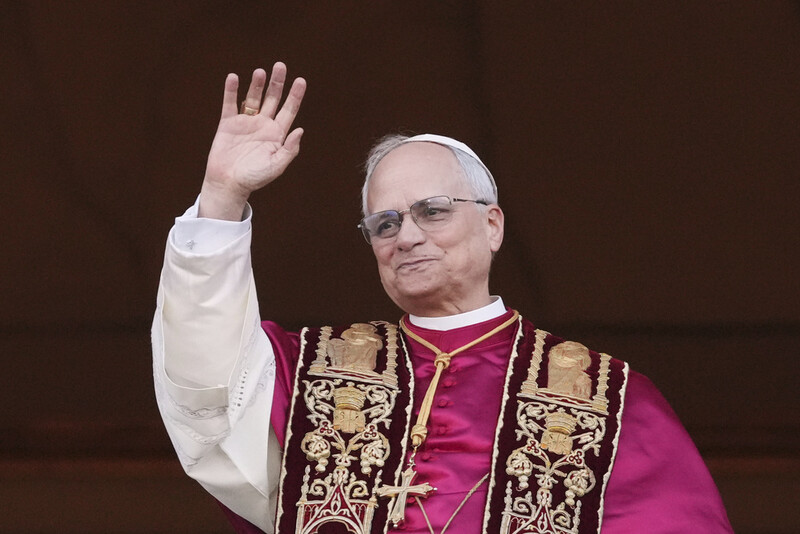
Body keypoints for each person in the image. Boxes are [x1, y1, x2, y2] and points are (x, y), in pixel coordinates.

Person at [152, 62, 733, 534]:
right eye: (384, 223)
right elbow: (207, 384)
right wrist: (222, 196)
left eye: (432, 211)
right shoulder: (312, 370)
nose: (406, 236)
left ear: (493, 225)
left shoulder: (607, 398)